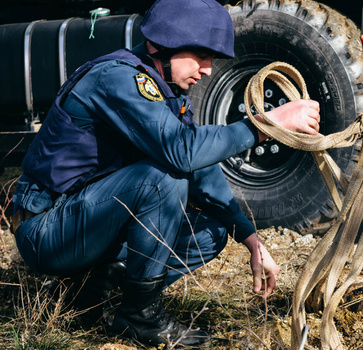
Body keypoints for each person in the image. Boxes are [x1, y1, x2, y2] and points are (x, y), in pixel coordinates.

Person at [10, 0, 320, 347]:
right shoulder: (117, 79)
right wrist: (264, 125)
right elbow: (181, 151)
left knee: (214, 232)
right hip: (47, 232)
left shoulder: (166, 90)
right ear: (161, 46)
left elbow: (201, 169)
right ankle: (138, 316)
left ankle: (88, 290)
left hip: (87, 224)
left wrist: (251, 239)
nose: (207, 70)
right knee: (162, 179)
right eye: (202, 56)